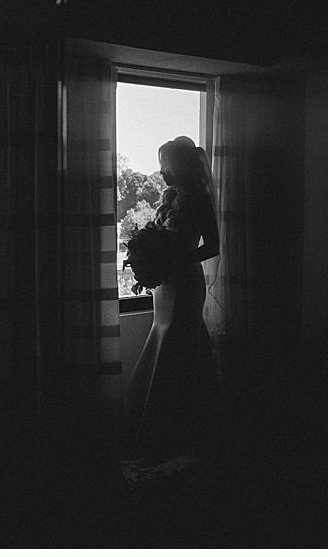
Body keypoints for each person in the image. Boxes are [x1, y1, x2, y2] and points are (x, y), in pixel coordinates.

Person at [122, 135, 222, 483]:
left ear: (178, 165)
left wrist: (179, 258)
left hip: (185, 283)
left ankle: (179, 429)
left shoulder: (199, 200)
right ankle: (161, 427)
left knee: (180, 346)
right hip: (166, 284)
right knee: (166, 337)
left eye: (165, 163)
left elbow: (213, 246)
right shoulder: (169, 198)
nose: (162, 170)